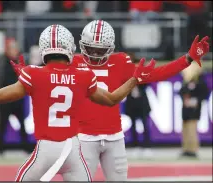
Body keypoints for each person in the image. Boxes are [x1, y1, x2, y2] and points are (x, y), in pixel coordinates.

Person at [0, 24, 155, 181]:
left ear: (44, 48)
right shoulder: (83, 75)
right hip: (73, 150)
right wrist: (135, 79)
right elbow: (112, 99)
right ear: (70, 48)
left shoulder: (34, 74)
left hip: (46, 149)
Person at [70, 20, 209, 181]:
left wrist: (187, 58)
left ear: (110, 48)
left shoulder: (119, 61)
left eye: (99, 50)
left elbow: (157, 74)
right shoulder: (73, 62)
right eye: (90, 48)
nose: (94, 54)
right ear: (82, 45)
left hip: (114, 137)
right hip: (84, 137)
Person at [0, 38, 30, 155]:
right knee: (2, 123)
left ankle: (26, 147)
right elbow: (2, 81)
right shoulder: (3, 63)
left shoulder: (20, 62)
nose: (14, 51)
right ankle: (0, 148)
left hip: (17, 99)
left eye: (15, 49)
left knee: (22, 123)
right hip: (6, 99)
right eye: (12, 49)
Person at [124, 53, 152, 158]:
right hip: (132, 102)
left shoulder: (143, 74)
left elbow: (147, 84)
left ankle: (147, 147)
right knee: (133, 126)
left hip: (142, 102)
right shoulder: (127, 73)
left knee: (145, 125)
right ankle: (135, 146)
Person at [179, 62, 209, 158]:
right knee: (185, 129)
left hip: (194, 110)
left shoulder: (200, 82)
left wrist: (195, 100)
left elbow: (204, 94)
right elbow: (181, 92)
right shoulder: (186, 82)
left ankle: (193, 149)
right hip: (185, 110)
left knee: (192, 129)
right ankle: (186, 149)